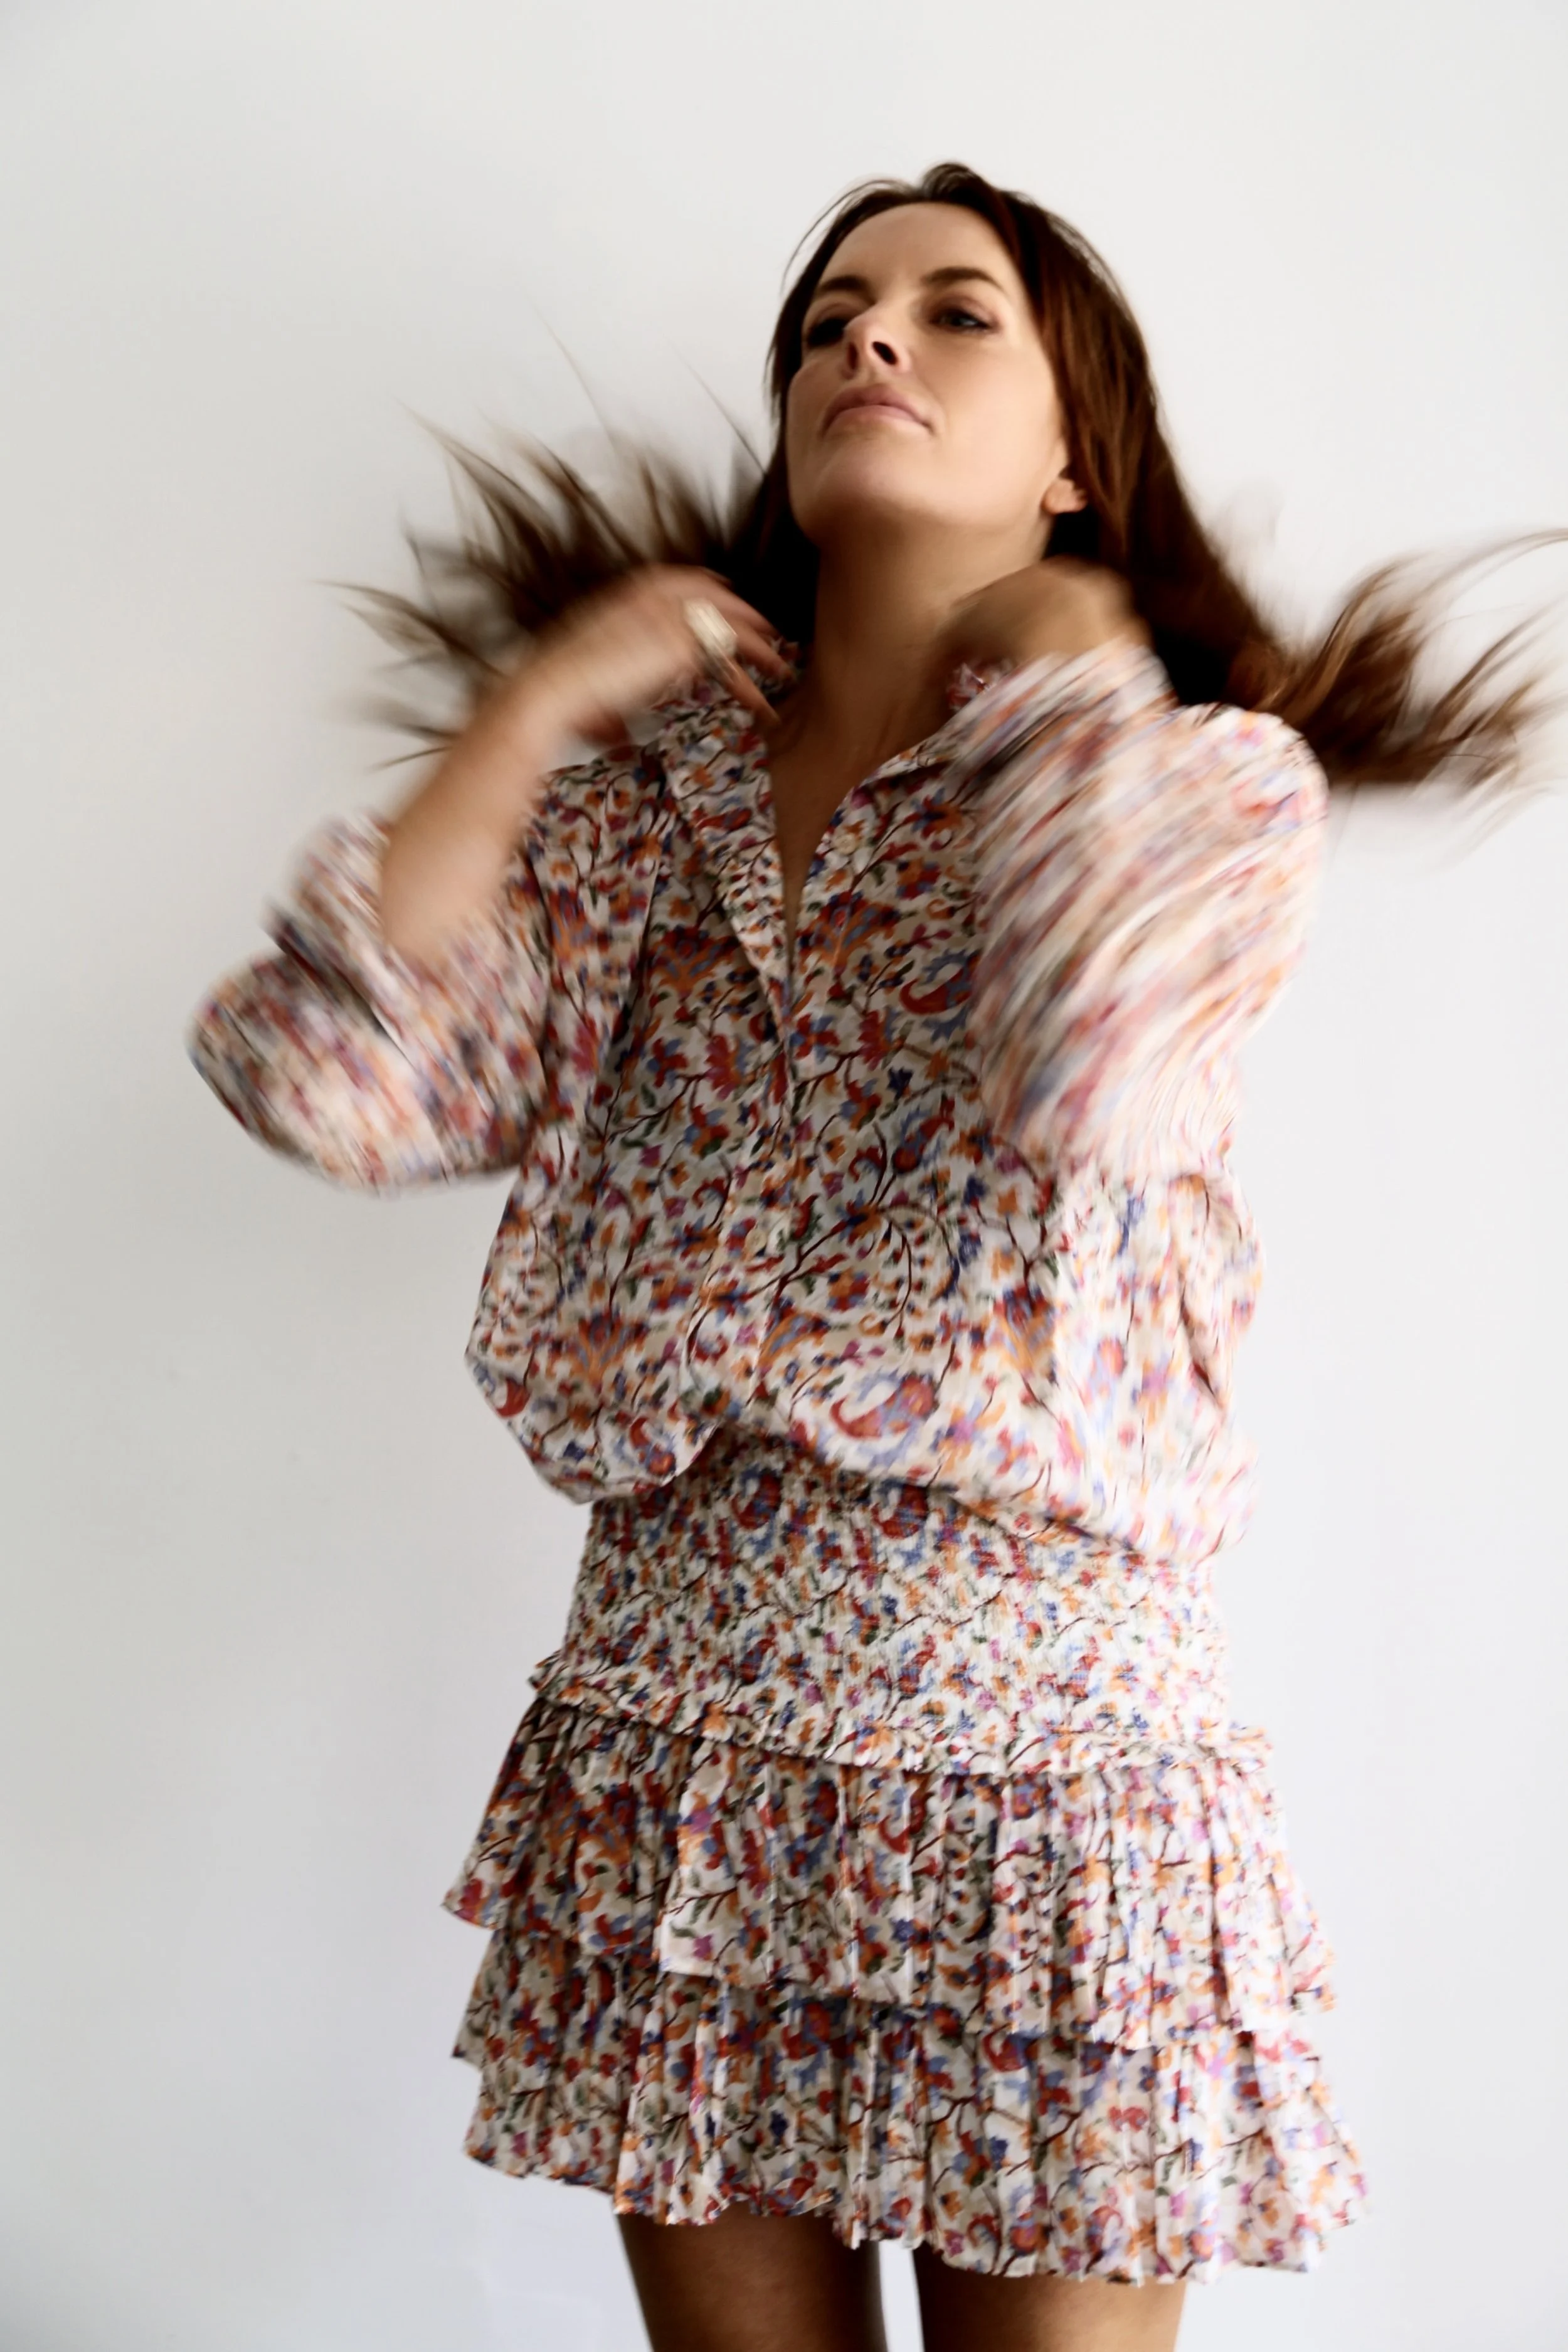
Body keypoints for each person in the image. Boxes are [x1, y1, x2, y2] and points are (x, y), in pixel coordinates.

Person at [187, 163, 1557, 2352]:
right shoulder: (645, 819)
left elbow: (1091, 1064)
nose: (866, 342)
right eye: (829, 315)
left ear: (1072, 458)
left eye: (950, 314)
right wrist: (540, 705)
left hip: (1044, 1777)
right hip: (683, 1756)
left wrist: (1070, 673)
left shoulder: (1201, 781)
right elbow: (315, 1077)